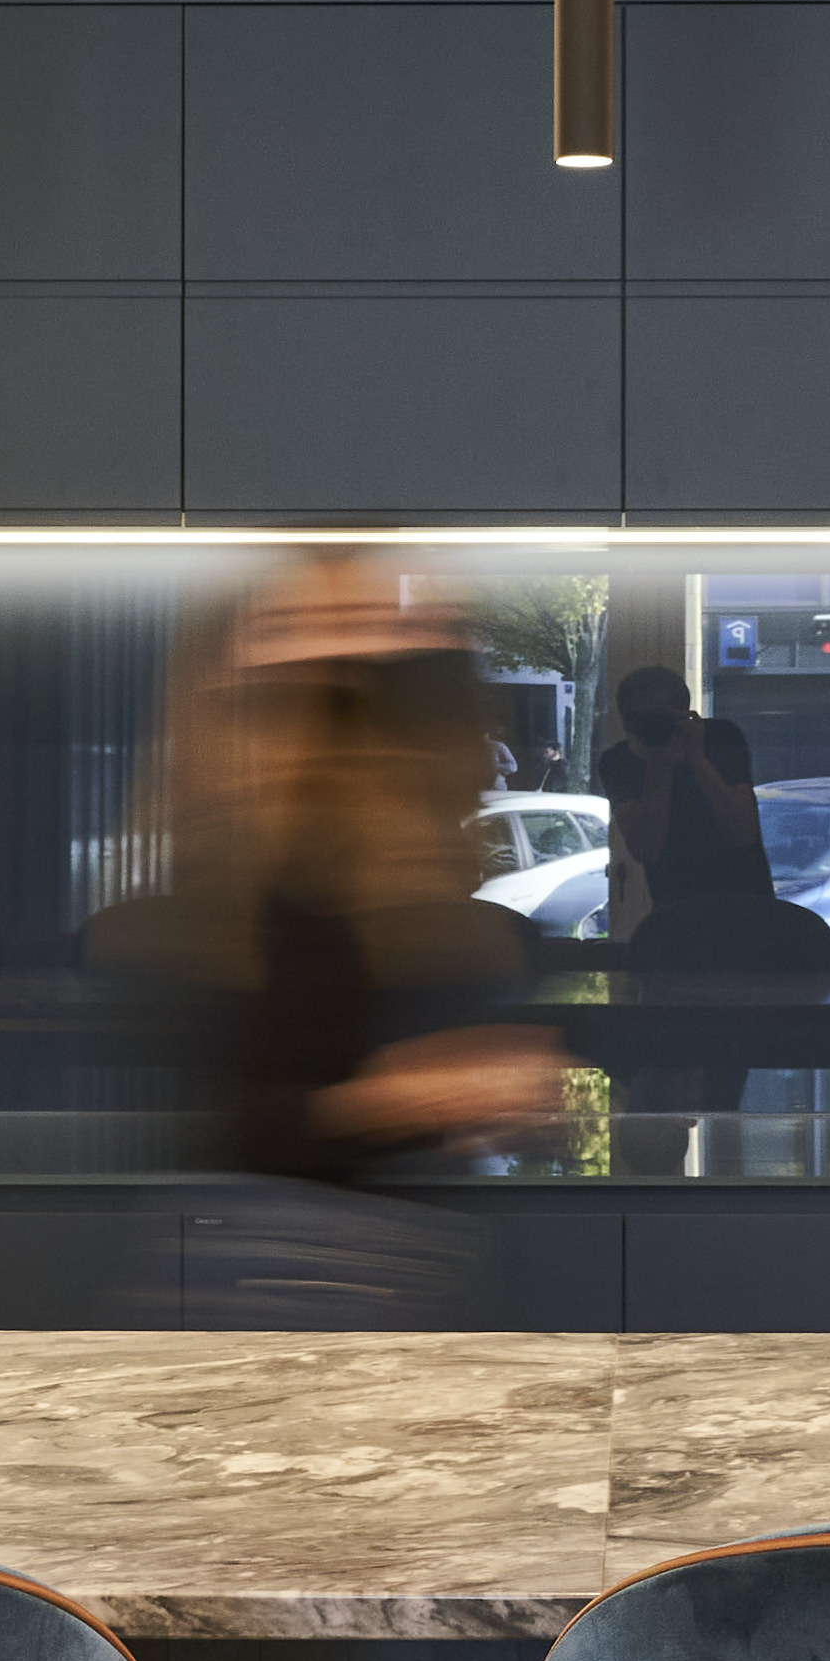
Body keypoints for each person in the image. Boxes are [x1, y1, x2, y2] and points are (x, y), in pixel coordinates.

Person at [131, 553, 562, 1316]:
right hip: (278, 1283)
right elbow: (249, 1116)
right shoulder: (261, 869)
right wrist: (418, 1092)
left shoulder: (399, 863)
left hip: (392, 1268)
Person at [590, 658, 760, 954]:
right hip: (675, 917)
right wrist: (660, 765)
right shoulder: (619, 761)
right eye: (633, 718)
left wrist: (696, 757)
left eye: (656, 717)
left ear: (684, 710)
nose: (644, 728)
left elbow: (743, 834)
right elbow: (645, 848)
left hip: (748, 910)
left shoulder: (719, 739)